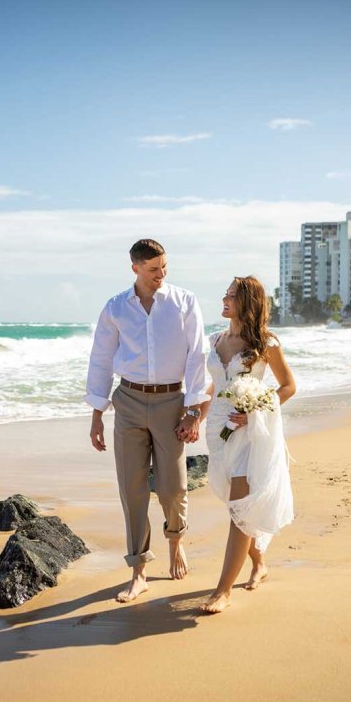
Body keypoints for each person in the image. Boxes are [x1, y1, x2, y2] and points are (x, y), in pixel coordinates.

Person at [85, 239, 209, 602]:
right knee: (132, 489)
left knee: (172, 488)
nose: (161, 275)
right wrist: (96, 416)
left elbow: (197, 357)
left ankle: (175, 542)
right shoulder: (115, 308)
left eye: (164, 268)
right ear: (135, 268)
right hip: (128, 402)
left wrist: (193, 411)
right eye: (154, 269)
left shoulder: (184, 302)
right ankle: (138, 571)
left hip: (172, 401)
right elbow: (101, 361)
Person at [199, 276, 296, 614]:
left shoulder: (265, 343)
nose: (224, 300)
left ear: (248, 302)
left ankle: (223, 590)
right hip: (218, 431)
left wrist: (256, 409)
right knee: (236, 506)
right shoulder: (215, 340)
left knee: (240, 503)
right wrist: (196, 414)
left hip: (250, 431)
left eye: (231, 296)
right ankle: (259, 562)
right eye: (224, 295)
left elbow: (287, 387)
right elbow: (213, 386)